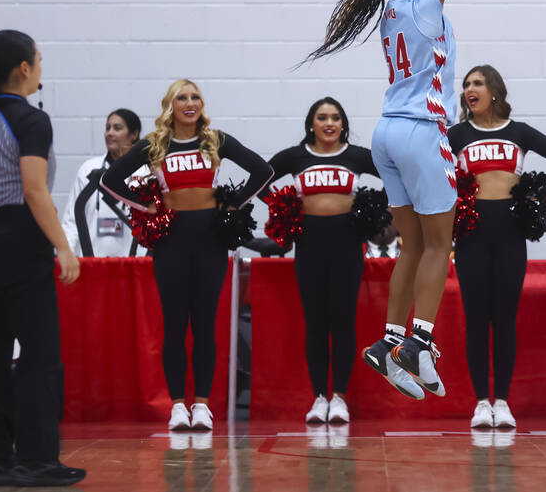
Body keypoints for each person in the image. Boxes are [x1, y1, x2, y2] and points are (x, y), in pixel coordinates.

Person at [306, 0, 508, 401]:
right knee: (444, 244)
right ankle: (419, 343)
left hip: (386, 133)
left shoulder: (391, 9)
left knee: (412, 247)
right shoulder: (421, 3)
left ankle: (387, 341)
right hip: (421, 130)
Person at [100, 79, 273, 431]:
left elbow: (263, 170)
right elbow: (111, 180)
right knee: (175, 324)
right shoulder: (154, 144)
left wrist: (233, 205)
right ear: (171, 105)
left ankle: (202, 405)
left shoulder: (215, 140)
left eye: (196, 97)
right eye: (182, 97)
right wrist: (145, 205)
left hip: (210, 239)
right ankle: (178, 405)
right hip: (171, 241)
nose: (190, 102)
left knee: (205, 323)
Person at [0, 30, 85, 487]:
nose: (41, 67)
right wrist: (63, 247)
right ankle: (37, 459)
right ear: (25, 68)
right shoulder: (30, 120)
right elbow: (34, 190)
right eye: (39, 59)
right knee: (39, 355)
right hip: (19, 239)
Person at [447, 65, 546, 429]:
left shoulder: (518, 132)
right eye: (466, 85)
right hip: (472, 232)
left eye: (478, 83)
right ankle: (479, 403)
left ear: (495, 92)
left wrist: (540, 197)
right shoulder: (455, 134)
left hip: (510, 231)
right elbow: (426, 168)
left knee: (504, 319)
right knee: (476, 319)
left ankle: (501, 400)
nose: (470, 89)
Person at [264, 97, 379, 425]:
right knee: (315, 322)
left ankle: (339, 397)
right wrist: (280, 207)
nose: (329, 123)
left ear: (343, 125)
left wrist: (379, 215)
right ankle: (318, 397)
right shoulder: (295, 157)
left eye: (335, 118)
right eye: (322, 117)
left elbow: (396, 178)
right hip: (309, 245)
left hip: (347, 245)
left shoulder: (357, 157)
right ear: (310, 124)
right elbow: (260, 179)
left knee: (343, 322)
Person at [61, 109, 145, 257]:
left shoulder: (144, 173)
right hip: (92, 265)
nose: (109, 133)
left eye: (117, 128)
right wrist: (67, 254)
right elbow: (71, 221)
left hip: (133, 267)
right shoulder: (89, 169)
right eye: (107, 128)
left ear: (134, 134)